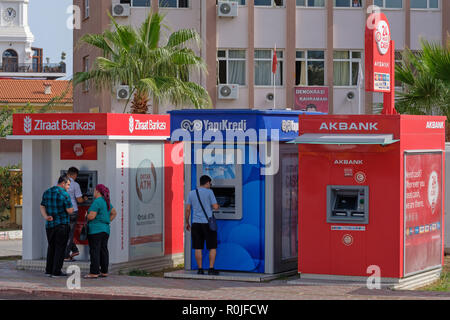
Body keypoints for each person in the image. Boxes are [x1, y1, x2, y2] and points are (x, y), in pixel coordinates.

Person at [185, 175, 220, 275]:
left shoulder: (191, 193)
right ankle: (211, 269)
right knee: (212, 247)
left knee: (198, 247)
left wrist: (187, 222)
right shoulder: (210, 192)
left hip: (196, 224)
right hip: (208, 224)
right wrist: (219, 205)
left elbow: (187, 209)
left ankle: (200, 269)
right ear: (208, 183)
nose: (210, 185)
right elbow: (215, 207)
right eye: (210, 183)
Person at [40, 175, 74, 277]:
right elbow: (69, 210)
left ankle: (48, 270)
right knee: (60, 248)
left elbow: (42, 206)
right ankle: (56, 271)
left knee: (51, 247)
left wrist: (46, 216)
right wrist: (72, 209)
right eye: (68, 185)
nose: (68, 187)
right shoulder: (65, 195)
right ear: (63, 183)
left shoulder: (47, 192)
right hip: (62, 225)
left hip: (50, 225)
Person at [84, 184, 117, 279]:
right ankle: (104, 271)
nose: (93, 192)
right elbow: (114, 213)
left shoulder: (97, 202)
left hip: (95, 230)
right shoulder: (106, 202)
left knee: (95, 251)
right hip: (105, 230)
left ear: (97, 191)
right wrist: (106, 220)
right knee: (103, 250)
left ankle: (94, 272)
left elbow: (91, 216)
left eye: (94, 190)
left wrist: (86, 215)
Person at [64, 167, 89, 262]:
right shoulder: (75, 184)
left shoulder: (60, 183)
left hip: (63, 211)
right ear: (74, 175)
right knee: (70, 234)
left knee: (65, 232)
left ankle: (74, 250)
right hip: (73, 211)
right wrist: (85, 199)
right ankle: (67, 255)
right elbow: (79, 200)